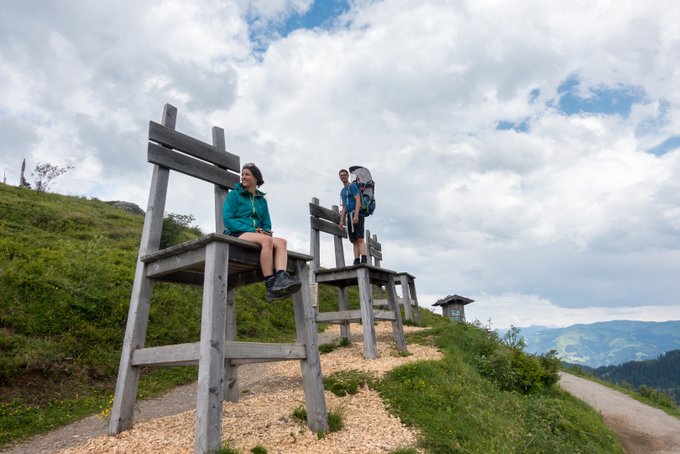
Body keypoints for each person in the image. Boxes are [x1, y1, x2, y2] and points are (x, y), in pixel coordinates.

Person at [223, 163, 301, 300]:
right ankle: (270, 284)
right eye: (242, 174)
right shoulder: (234, 195)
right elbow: (228, 220)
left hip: (257, 234)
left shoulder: (262, 201)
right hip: (237, 232)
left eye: (247, 174)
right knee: (266, 240)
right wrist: (253, 230)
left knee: (282, 242)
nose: (243, 177)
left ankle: (280, 279)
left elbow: (266, 224)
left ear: (256, 178)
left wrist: (265, 232)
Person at [338, 168, 367, 265]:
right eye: (341, 175)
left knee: (360, 238)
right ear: (339, 177)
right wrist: (341, 220)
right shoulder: (342, 191)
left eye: (344, 175)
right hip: (349, 216)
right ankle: (356, 260)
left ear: (347, 176)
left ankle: (364, 258)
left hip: (357, 214)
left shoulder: (353, 186)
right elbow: (344, 206)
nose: (343, 177)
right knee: (354, 240)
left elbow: (358, 200)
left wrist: (356, 215)